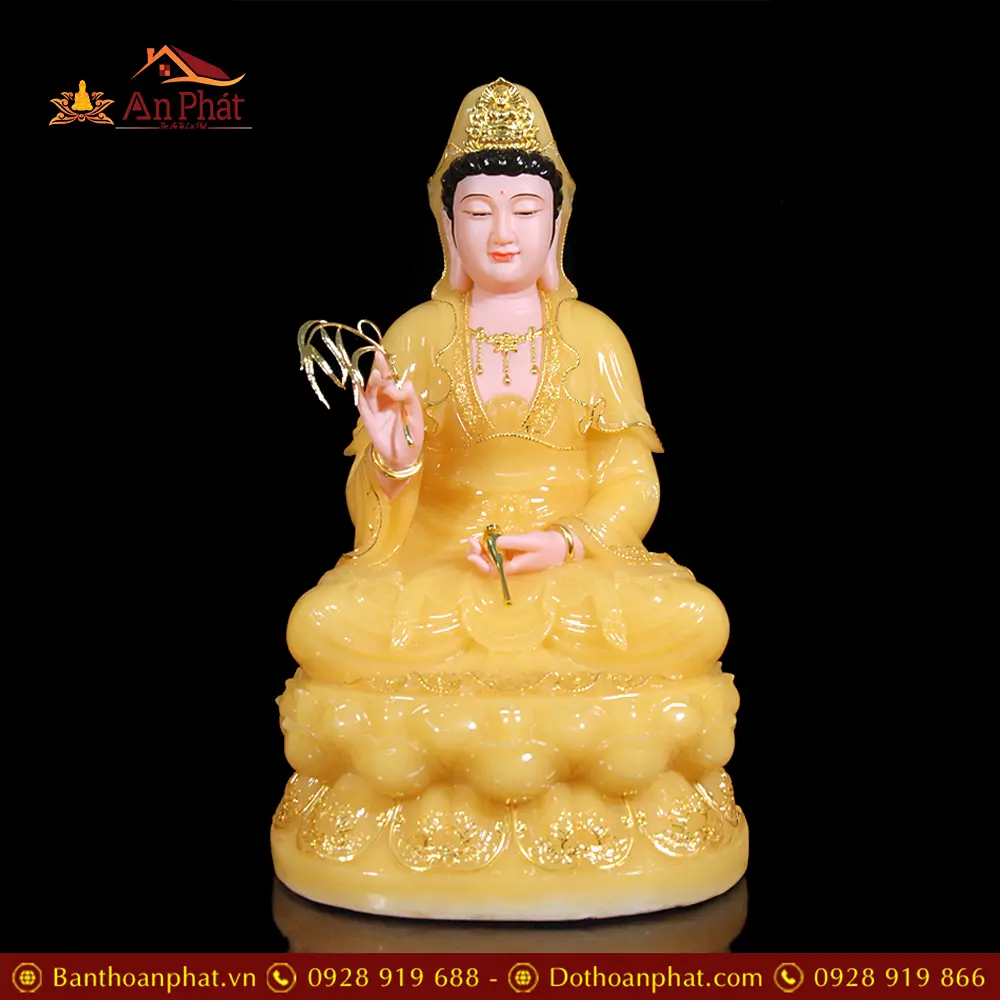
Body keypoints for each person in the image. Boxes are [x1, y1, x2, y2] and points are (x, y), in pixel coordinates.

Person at [274, 80, 745, 919]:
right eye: (479, 210)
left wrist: (568, 540)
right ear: (447, 225)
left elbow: (632, 480)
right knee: (322, 624)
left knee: (695, 621)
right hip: (441, 562)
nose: (502, 232)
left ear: (556, 224)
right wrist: (395, 465)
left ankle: (447, 771)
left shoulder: (595, 337)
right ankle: (571, 766)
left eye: (525, 209)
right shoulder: (416, 335)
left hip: (573, 567)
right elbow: (374, 513)